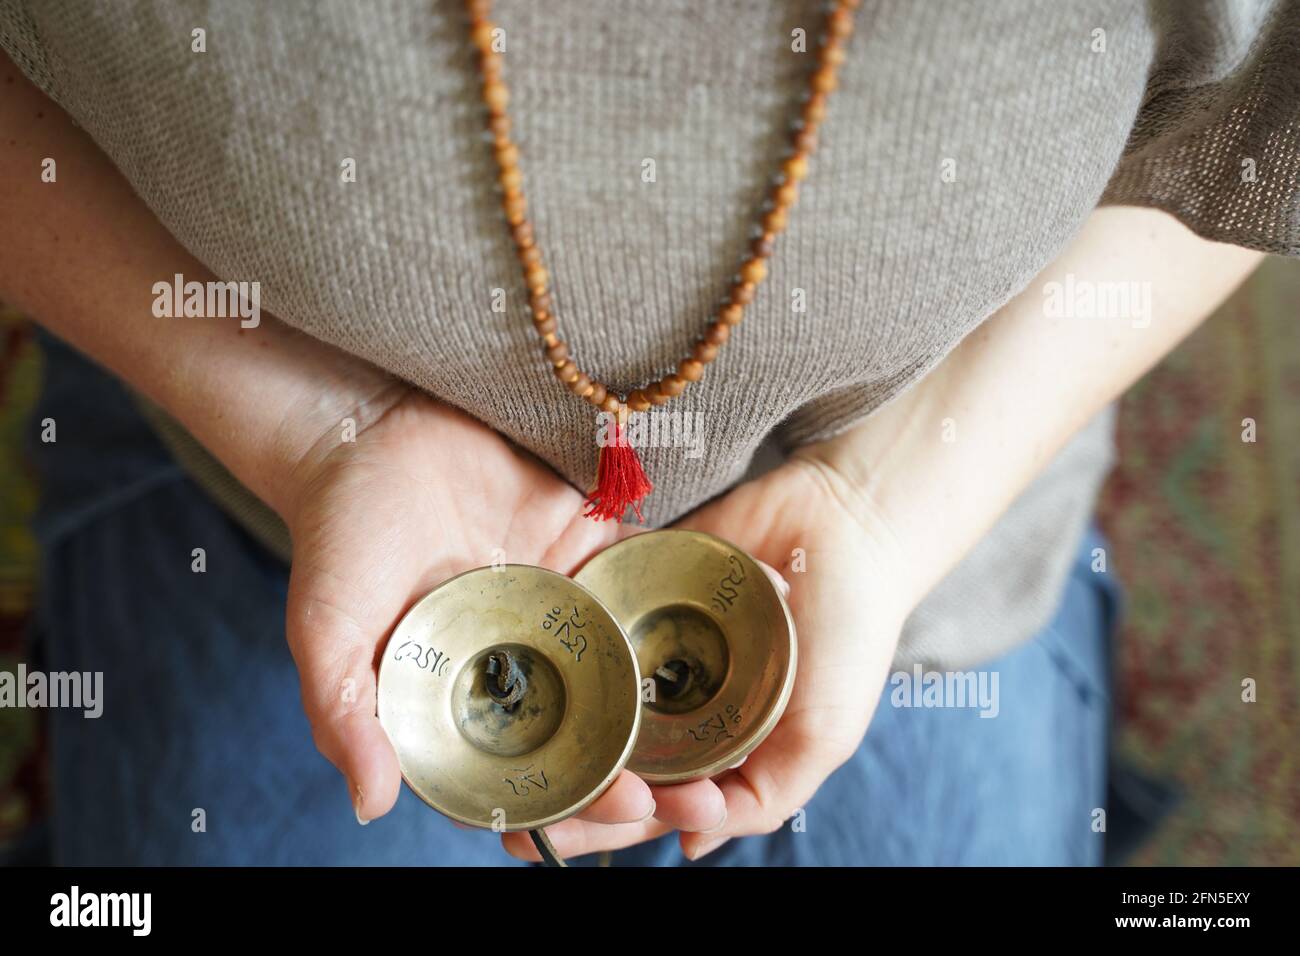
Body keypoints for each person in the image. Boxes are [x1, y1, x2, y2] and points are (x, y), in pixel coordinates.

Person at [0, 0, 1293, 865]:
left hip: (947, 495)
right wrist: (319, 432)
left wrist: (885, 510)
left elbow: (1262, 127)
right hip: (256, 478)